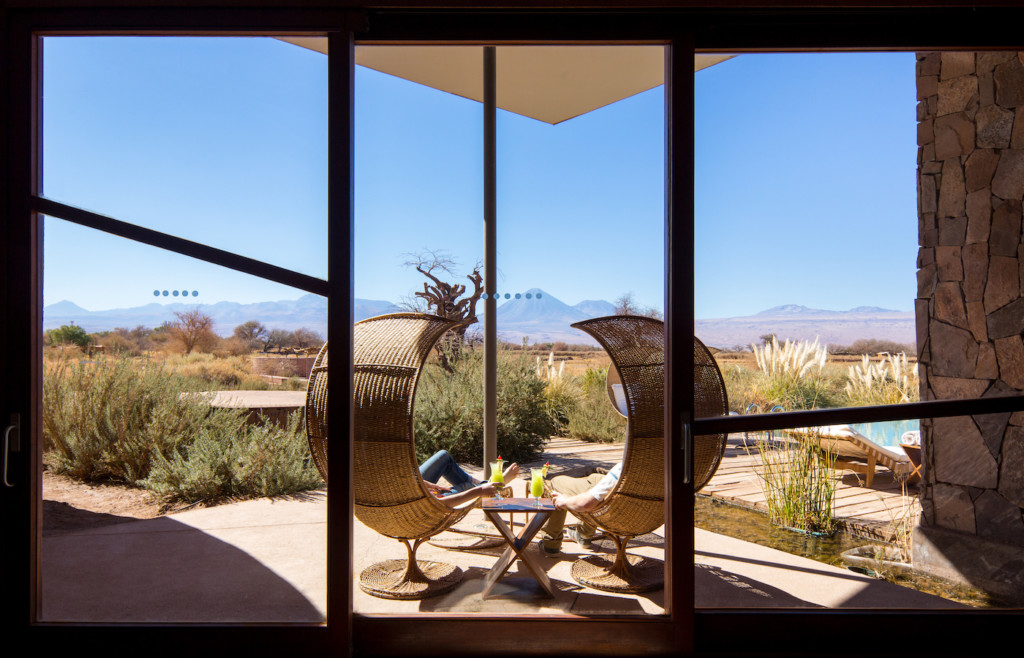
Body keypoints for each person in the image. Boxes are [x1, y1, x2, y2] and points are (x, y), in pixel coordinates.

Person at [537, 462, 622, 554]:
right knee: (594, 477)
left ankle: (551, 543)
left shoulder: (629, 462)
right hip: (633, 508)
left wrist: (566, 501)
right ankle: (584, 534)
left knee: (556, 482)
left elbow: (586, 503)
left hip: (618, 489)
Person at [418, 449, 519, 508]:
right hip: (427, 500)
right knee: (469, 487)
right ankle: (494, 485)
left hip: (412, 483)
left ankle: (482, 484)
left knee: (444, 456)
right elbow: (441, 504)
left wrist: (422, 483)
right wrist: (479, 490)